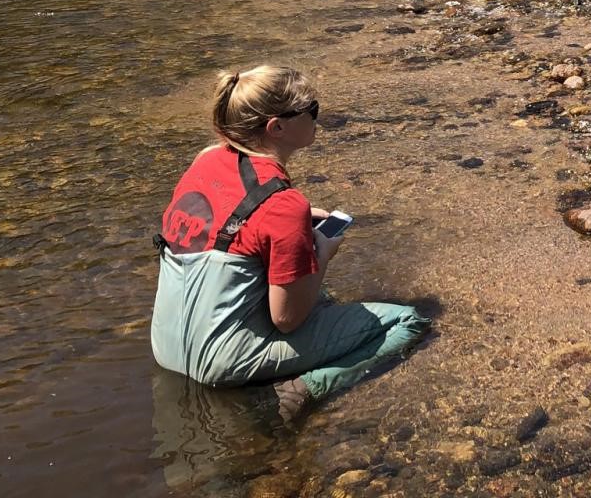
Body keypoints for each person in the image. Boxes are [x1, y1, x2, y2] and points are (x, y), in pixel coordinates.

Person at [152, 67, 429, 419]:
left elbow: (222, 226)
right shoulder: (283, 206)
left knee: (314, 294)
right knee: (407, 322)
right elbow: (286, 319)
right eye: (309, 110)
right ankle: (297, 392)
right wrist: (323, 253)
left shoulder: (206, 159)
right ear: (277, 127)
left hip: (166, 344)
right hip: (220, 363)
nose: (317, 116)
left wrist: (292, 225)